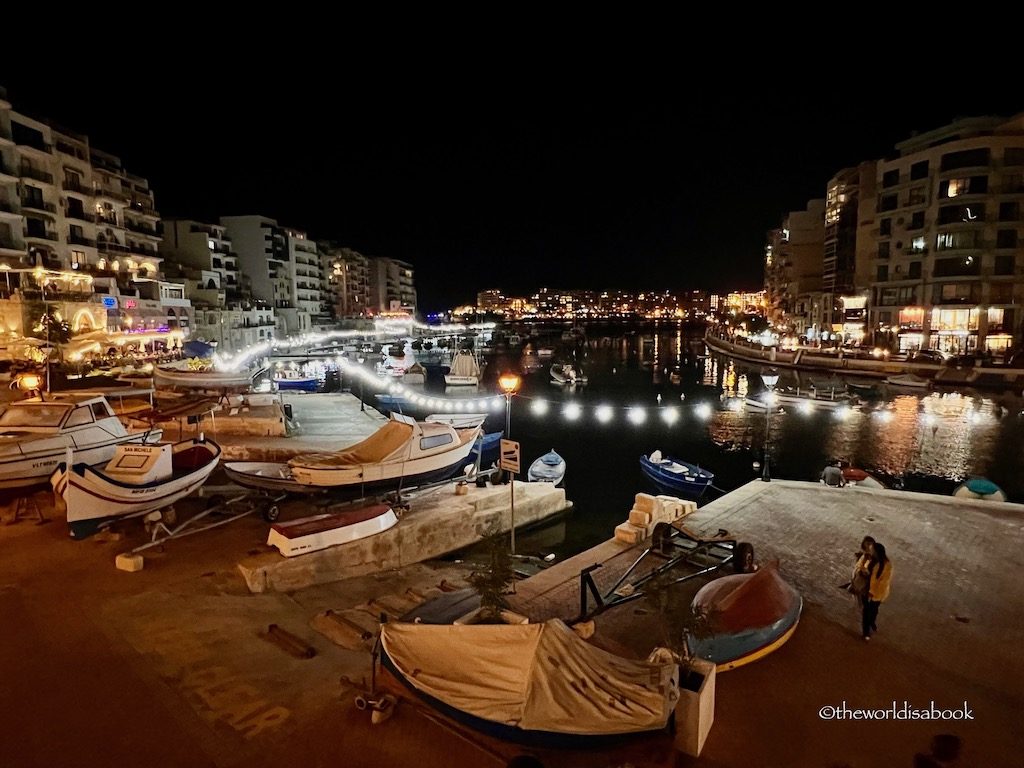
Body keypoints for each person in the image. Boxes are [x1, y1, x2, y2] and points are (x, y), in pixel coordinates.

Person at [860, 542, 892, 641]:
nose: (871, 551)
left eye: (872, 550)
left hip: (876, 594)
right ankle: (866, 632)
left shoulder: (887, 566)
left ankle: (872, 623)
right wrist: (863, 567)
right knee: (866, 611)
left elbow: (883, 583)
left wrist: (872, 592)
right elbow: (862, 567)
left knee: (873, 610)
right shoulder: (870, 559)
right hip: (866, 590)